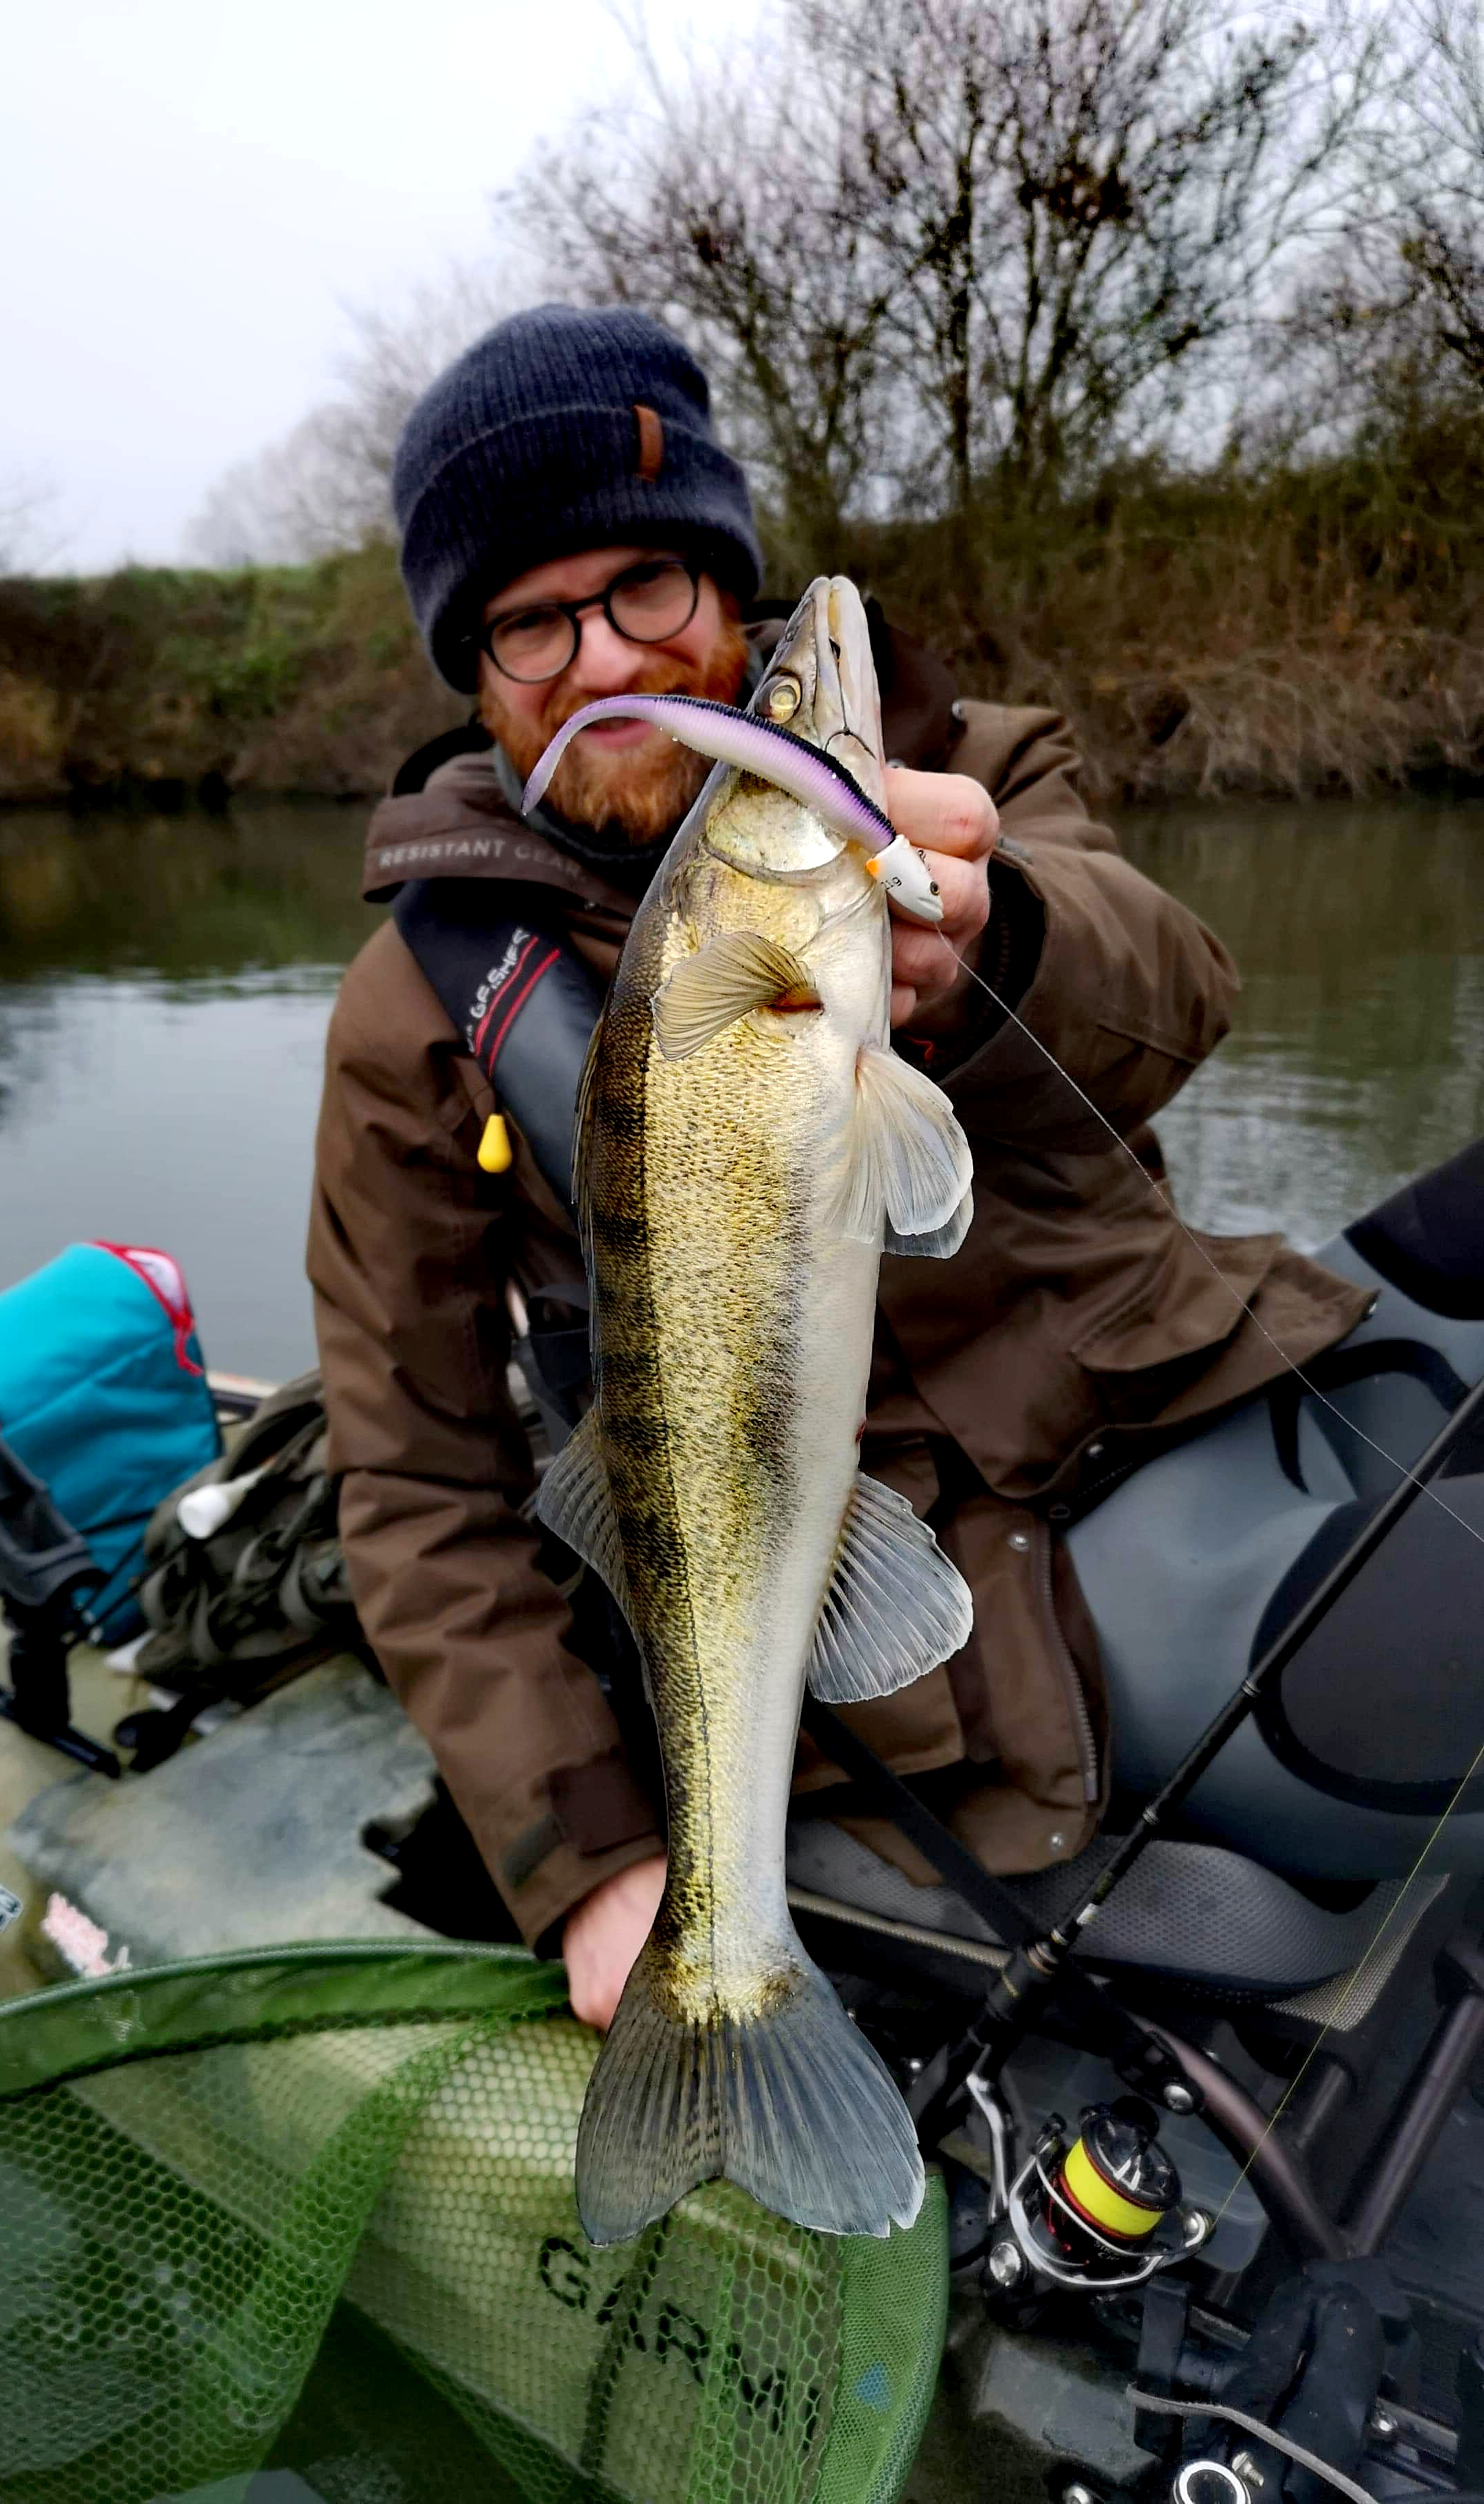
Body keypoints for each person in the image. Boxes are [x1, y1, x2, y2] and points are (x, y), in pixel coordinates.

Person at [306, 305, 1367, 2028]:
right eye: (529, 622)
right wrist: (589, 1856)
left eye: (647, 584)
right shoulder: (416, 1013)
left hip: (1173, 1458)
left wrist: (1002, 937)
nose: (603, 659)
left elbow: (1184, 994)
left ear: (726, 585)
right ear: (477, 669)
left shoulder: (970, 770)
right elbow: (418, 1481)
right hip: (863, 1659)